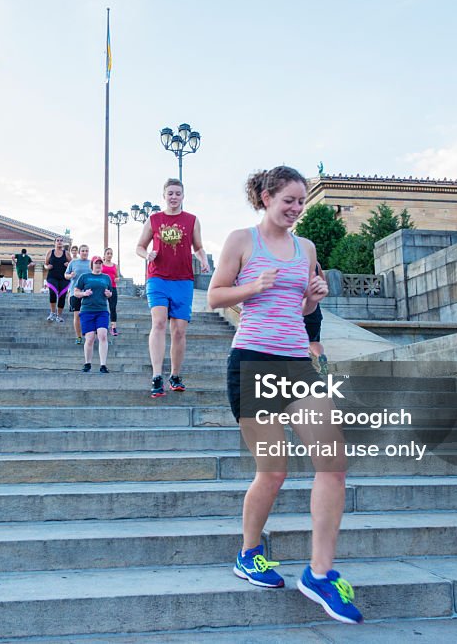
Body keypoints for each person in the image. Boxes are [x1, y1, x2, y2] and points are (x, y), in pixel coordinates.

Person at [207, 165, 362, 625]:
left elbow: (302, 306)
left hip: (298, 363)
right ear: (266, 197)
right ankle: (249, 553)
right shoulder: (241, 240)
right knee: (273, 470)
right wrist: (252, 287)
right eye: (288, 200)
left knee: (333, 465)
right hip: (252, 362)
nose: (295, 209)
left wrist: (315, 295)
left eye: (301, 202)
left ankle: (320, 573)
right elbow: (215, 295)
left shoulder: (306, 246)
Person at [136, 178, 210, 397]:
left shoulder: (192, 220)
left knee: (179, 331)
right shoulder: (154, 220)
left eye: (178, 193)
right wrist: (146, 255)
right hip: (158, 277)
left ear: (183, 196)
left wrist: (203, 260)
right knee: (158, 322)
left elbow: (198, 247)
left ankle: (175, 375)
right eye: (170, 193)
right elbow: (140, 246)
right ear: (164, 195)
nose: (174, 197)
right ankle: (157, 375)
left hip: (183, 280)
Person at [74, 256, 113, 373]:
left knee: (103, 335)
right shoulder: (84, 277)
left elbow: (110, 293)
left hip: (102, 310)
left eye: (100, 263)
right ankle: (87, 363)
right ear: (92, 265)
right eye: (96, 263)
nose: (98, 265)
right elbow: (76, 292)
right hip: (87, 310)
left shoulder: (106, 278)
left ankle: (103, 365)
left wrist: (108, 294)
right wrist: (84, 293)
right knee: (90, 338)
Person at [65, 244, 91, 344]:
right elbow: (66, 275)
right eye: (83, 251)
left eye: (86, 251)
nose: (85, 253)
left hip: (89, 293)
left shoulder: (91, 263)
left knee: (89, 315)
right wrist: (70, 275)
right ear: (79, 252)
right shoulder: (73, 262)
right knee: (77, 315)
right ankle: (79, 336)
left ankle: (89, 335)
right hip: (75, 293)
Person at [305, 263, 328, 375]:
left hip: (296, 308)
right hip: (314, 310)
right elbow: (323, 283)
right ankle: (321, 357)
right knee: (313, 341)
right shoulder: (315, 263)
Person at [43, 236, 70, 322]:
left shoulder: (66, 253)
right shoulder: (50, 252)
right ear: (54, 242)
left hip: (64, 278)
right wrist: (47, 267)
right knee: (53, 293)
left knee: (62, 296)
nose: (59, 242)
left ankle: (59, 315)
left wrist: (68, 265)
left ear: (63, 243)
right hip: (52, 277)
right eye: (57, 241)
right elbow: (45, 264)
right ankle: (52, 313)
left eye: (61, 241)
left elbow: (72, 264)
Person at [101, 248, 120, 337]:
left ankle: (113, 327)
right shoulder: (101, 264)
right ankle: (101, 326)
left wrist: (117, 279)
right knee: (101, 306)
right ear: (104, 255)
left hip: (112, 288)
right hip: (102, 288)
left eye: (111, 253)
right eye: (108, 253)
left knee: (113, 308)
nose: (109, 255)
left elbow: (117, 277)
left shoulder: (115, 265)